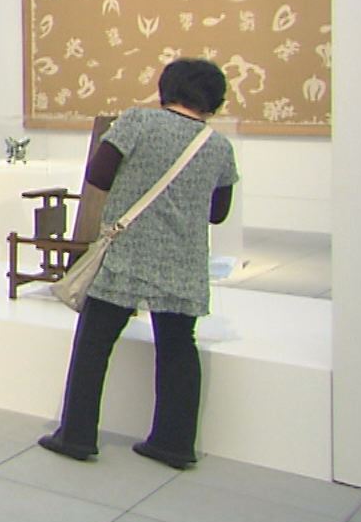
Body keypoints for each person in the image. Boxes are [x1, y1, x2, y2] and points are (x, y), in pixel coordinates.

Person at [38, 58, 239, 470]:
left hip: (126, 254)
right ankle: (173, 443)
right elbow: (218, 213)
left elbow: (99, 175)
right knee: (179, 347)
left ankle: (76, 434)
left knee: (94, 343)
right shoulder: (218, 146)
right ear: (214, 100)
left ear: (168, 88)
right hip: (183, 262)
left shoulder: (137, 122)